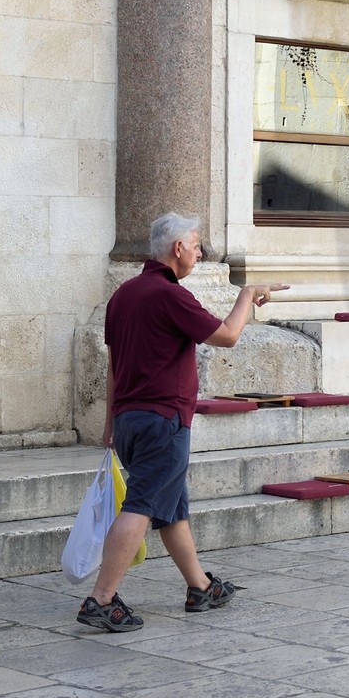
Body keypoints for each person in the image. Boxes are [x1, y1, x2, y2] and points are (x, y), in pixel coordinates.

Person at [78, 213, 288, 632]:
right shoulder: (168, 294)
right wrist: (246, 295)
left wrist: (110, 422)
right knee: (140, 505)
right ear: (177, 249)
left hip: (131, 418)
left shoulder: (123, 295)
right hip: (163, 419)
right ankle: (100, 599)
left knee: (172, 509)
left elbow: (114, 366)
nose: (199, 253)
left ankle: (200, 586)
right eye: (196, 246)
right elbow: (227, 335)